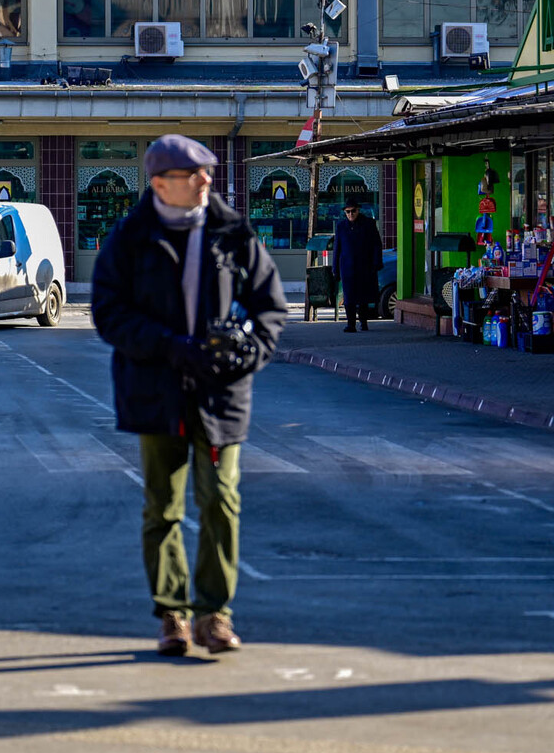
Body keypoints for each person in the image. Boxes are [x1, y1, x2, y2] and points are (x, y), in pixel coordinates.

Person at [92, 134, 287, 657]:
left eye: (208, 172)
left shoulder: (232, 232)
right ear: (160, 183)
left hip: (220, 394)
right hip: (155, 392)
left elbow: (270, 309)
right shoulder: (130, 237)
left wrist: (245, 352)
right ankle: (172, 615)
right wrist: (169, 347)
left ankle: (215, 616)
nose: (206, 180)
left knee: (221, 502)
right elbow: (108, 314)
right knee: (163, 508)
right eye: (193, 174)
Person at [332, 201, 382, 332]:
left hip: (365, 265)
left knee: (363, 296)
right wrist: (335, 269)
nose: (350, 214)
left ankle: (364, 322)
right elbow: (337, 248)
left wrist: (377, 262)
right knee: (349, 296)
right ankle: (351, 324)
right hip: (347, 266)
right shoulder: (341, 226)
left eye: (352, 211)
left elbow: (377, 244)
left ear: (358, 210)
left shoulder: (368, 224)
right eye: (347, 212)